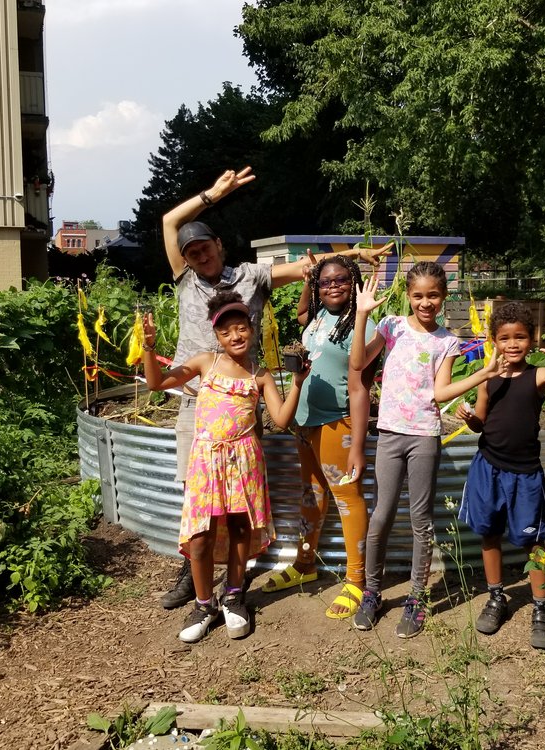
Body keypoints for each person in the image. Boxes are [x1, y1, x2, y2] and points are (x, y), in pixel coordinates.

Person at [158, 166, 392, 609]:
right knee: (198, 493)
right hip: (197, 403)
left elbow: (314, 269)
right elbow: (170, 222)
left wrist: (357, 252)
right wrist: (213, 193)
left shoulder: (251, 276)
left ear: (219, 246)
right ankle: (192, 575)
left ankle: (235, 582)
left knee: (237, 494)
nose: (199, 256)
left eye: (205, 247)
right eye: (191, 252)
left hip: (245, 402)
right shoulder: (185, 278)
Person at [142, 291, 309, 642]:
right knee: (199, 538)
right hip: (206, 461)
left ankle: (234, 596)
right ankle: (204, 604)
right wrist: (148, 346)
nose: (235, 336)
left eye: (241, 328)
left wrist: (296, 383)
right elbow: (157, 383)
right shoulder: (205, 363)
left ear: (251, 328)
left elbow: (279, 419)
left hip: (244, 460)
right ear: (217, 336)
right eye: (226, 331)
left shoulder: (259, 375)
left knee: (239, 532)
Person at [349, 261, 504, 638]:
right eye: (418, 295)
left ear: (444, 296)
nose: (425, 302)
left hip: (423, 436)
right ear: (408, 295)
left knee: (421, 521)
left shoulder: (447, 341)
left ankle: (417, 599)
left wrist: (480, 375)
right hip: (389, 434)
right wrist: (362, 315)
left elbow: (439, 392)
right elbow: (357, 362)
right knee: (381, 514)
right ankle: (372, 592)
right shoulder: (392, 327)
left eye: (433, 295)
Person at [455, 302, 545, 649]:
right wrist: (470, 420)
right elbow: (481, 422)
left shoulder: (540, 375)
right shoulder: (488, 377)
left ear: (531, 340)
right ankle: (496, 597)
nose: (512, 344)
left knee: (534, 543)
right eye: (504, 338)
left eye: (520, 337)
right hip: (488, 468)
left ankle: (541, 609)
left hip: (526, 474)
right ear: (494, 341)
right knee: (489, 534)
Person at [259, 256, 376, 620]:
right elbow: (300, 317)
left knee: (346, 496)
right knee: (311, 494)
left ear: (353, 282)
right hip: (306, 423)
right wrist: (307, 281)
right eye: (325, 282)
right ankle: (305, 563)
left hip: (336, 424)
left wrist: (357, 444)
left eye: (341, 279)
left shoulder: (364, 326)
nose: (333, 286)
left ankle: (358, 580)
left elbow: (361, 387)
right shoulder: (319, 317)